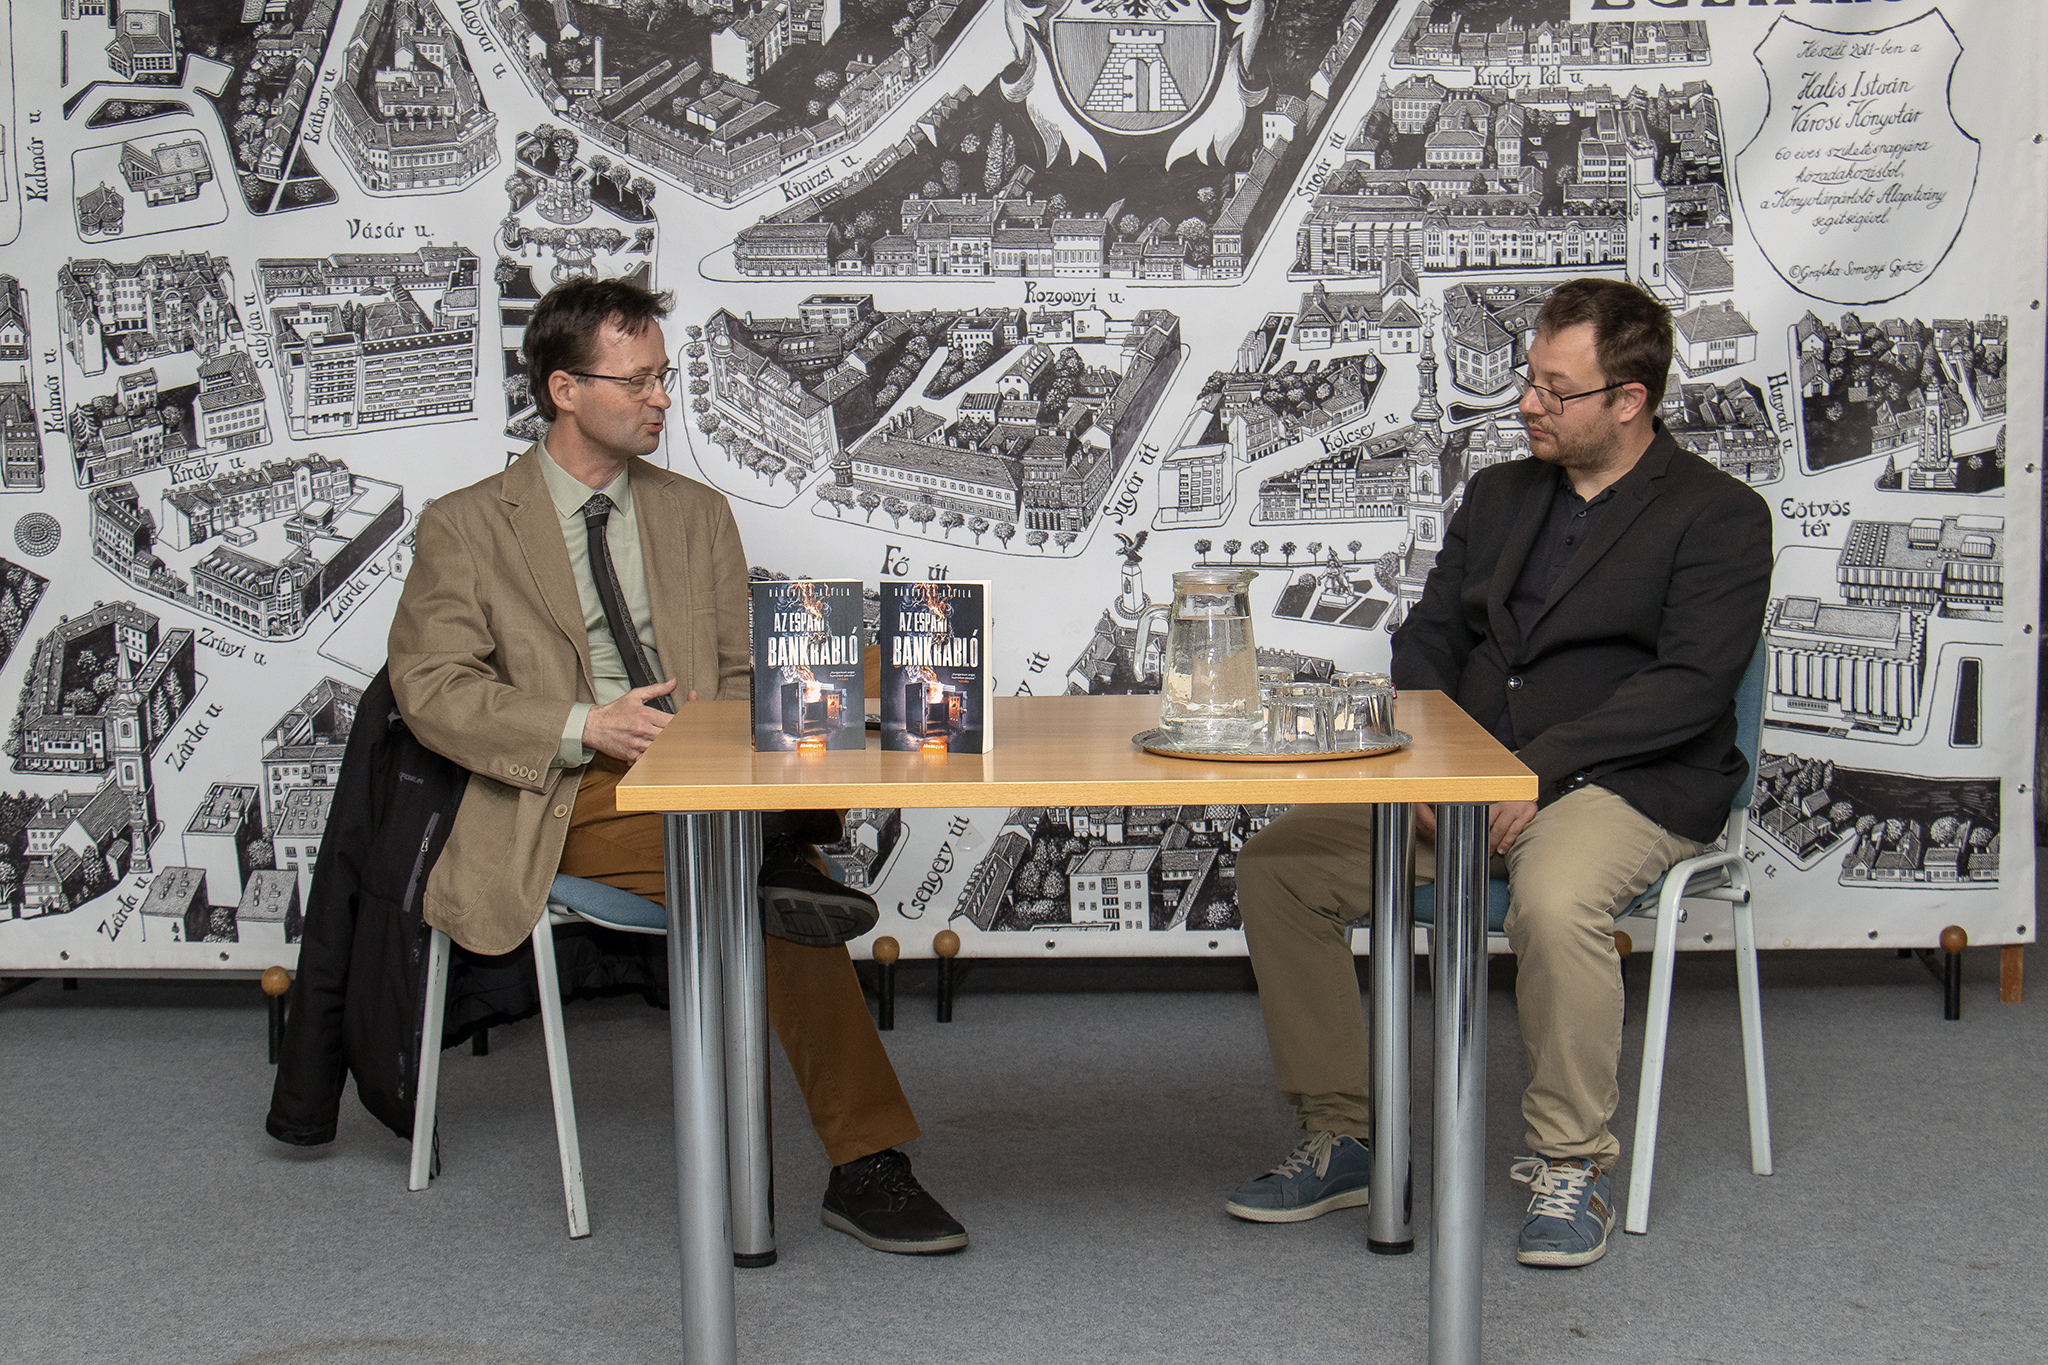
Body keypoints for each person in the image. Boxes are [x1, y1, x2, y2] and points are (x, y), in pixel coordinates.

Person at [387, 277, 966, 1255]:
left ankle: (774, 856)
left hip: (703, 771)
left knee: (751, 852)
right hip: (567, 789)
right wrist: (586, 724)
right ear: (565, 389)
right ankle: (866, 1162)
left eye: (665, 377)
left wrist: (814, 701)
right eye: (639, 381)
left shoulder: (695, 513)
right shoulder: (467, 524)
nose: (663, 399)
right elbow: (432, 687)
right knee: (759, 889)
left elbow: (736, 675)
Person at [1225, 278, 1772, 1268]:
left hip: (1621, 782)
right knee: (1278, 867)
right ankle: (1345, 1136)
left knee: (1555, 904)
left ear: (1628, 400)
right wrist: (1445, 769)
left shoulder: (1719, 517)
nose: (1527, 403)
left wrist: (1526, 774)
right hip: (1470, 782)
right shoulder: (1497, 494)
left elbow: (1690, 689)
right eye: (1529, 379)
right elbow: (1428, 640)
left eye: (1555, 390)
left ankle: (1570, 1163)